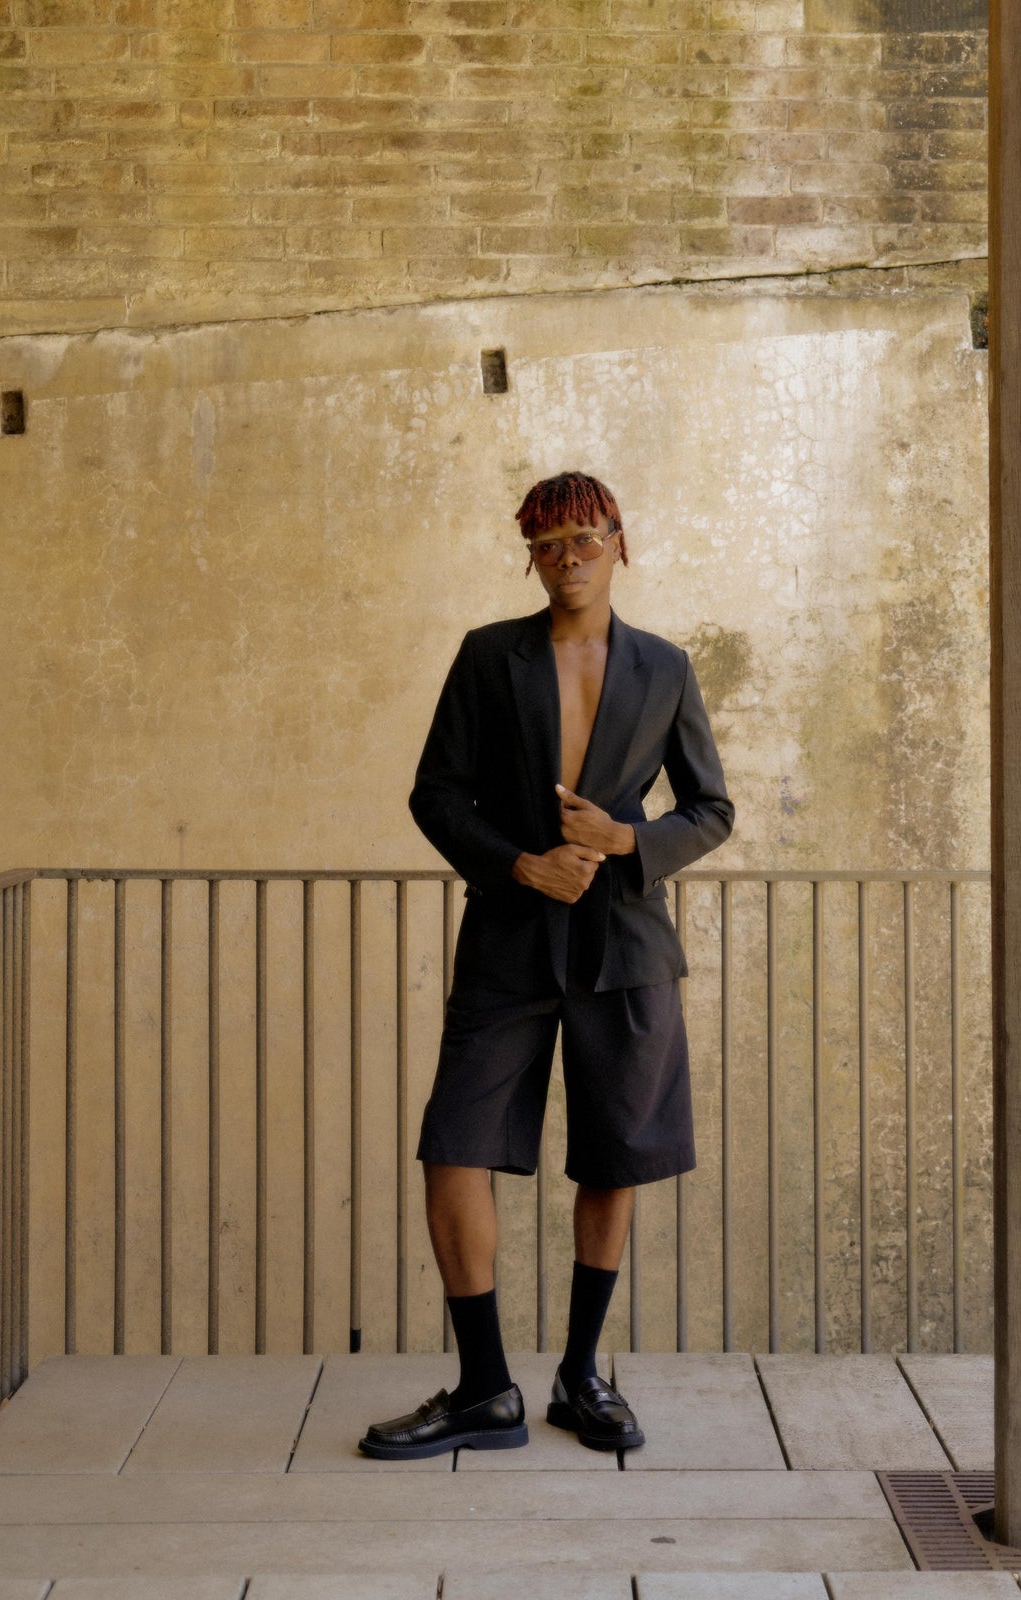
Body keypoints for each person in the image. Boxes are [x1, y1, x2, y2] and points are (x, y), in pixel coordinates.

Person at [359, 470, 734, 1460]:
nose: (567, 559)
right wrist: (519, 861)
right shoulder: (490, 657)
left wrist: (623, 839)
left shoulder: (665, 667)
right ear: (529, 553)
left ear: (621, 540)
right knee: (454, 1145)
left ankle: (579, 1376)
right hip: (509, 940)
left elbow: (711, 808)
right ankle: (485, 1389)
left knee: (615, 1154)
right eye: (547, 543)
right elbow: (435, 794)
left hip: (625, 947)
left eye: (584, 538)